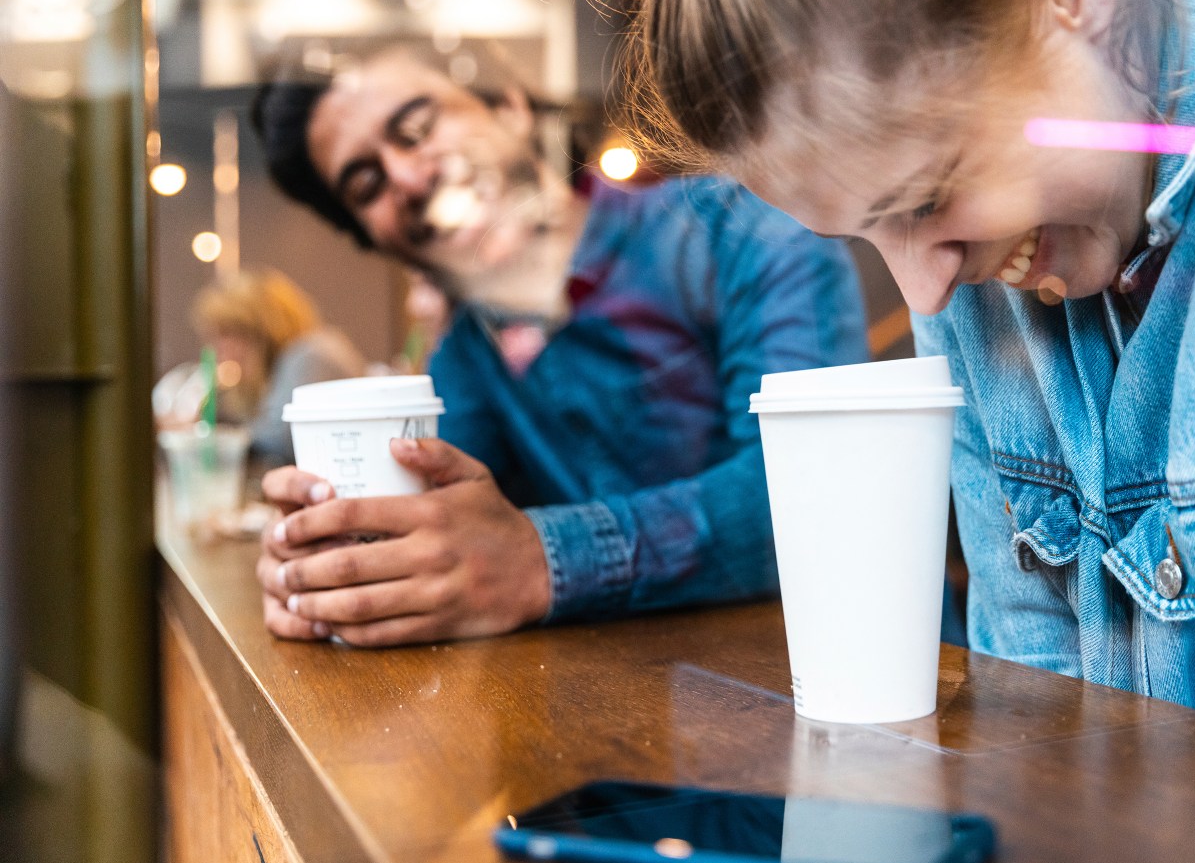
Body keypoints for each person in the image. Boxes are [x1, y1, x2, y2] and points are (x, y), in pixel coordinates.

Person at [559, 0, 1195, 766]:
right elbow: (1035, 738)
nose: (923, 293)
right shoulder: (983, 248)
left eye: (925, 197)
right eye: (870, 235)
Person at [249, 46, 869, 646]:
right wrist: (326, 569)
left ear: (509, 107)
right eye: (366, 185)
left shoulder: (740, 231)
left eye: (416, 127)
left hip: (872, 684)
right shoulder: (465, 361)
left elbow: (818, 493)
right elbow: (443, 542)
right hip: (636, 717)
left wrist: (540, 562)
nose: (409, 178)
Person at [170, 268, 366, 466]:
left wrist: (204, 436)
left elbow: (275, 443)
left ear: (262, 330)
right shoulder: (291, 361)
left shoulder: (311, 354)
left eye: (227, 334)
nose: (217, 349)